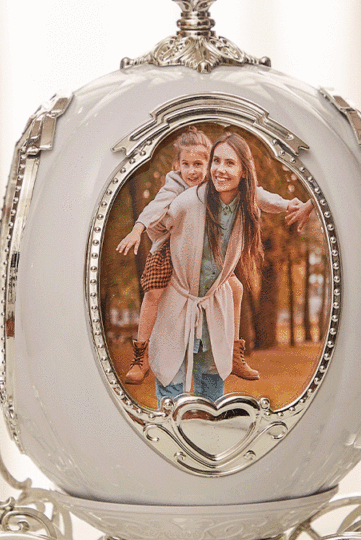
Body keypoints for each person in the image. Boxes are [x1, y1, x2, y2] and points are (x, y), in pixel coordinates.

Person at [117, 127, 312, 386]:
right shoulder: (174, 186)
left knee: (236, 288)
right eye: (186, 165)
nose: (192, 171)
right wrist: (137, 229)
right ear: (177, 166)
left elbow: (260, 195)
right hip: (168, 247)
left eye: (199, 164)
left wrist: (289, 204)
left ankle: (234, 351)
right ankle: (141, 355)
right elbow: (155, 208)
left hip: (201, 254)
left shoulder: (216, 187)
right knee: (153, 291)